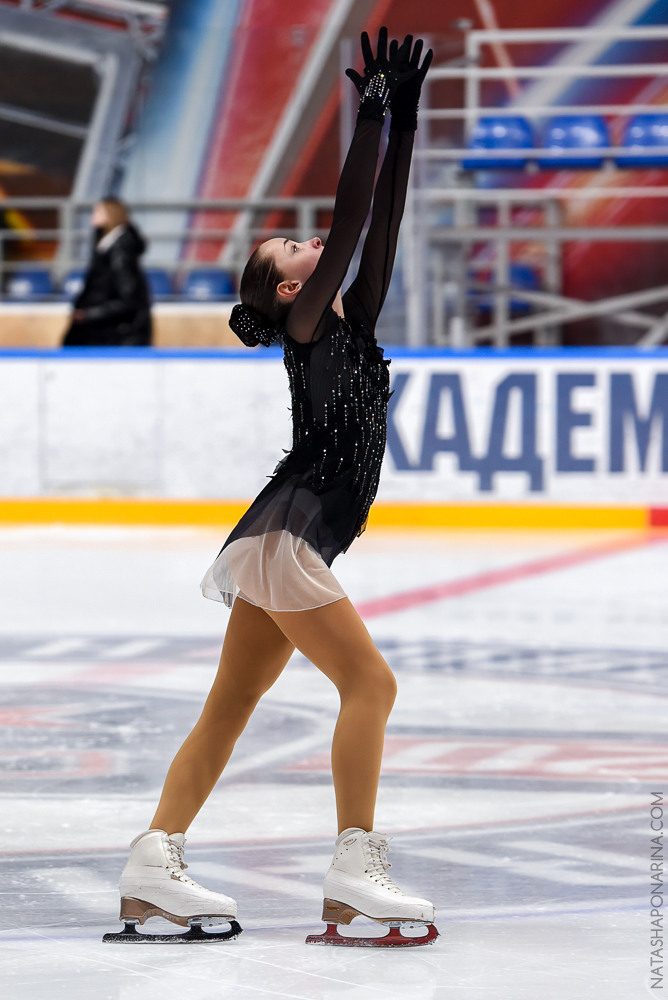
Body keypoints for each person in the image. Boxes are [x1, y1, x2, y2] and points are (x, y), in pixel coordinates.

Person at [106, 29, 437, 949]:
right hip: (286, 539)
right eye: (295, 247)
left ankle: (153, 860)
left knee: (230, 706)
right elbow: (354, 215)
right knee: (371, 684)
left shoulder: (352, 320)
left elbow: (383, 226)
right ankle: (353, 869)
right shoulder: (306, 323)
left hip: (277, 539)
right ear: (288, 287)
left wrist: (404, 121)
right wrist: (367, 119)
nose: (313, 243)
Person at [62, 197, 152, 347]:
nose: (93, 216)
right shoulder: (105, 245)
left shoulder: (121, 250)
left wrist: (89, 314)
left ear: (111, 215)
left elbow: (127, 298)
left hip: (118, 333)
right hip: (106, 330)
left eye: (98, 212)